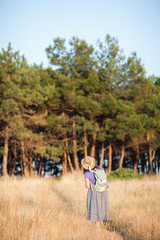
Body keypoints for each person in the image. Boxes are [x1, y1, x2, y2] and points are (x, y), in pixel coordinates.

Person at [81, 156, 109, 225]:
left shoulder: (87, 174)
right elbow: (104, 178)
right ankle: (102, 222)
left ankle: (97, 224)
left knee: (95, 206)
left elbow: (87, 186)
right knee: (102, 205)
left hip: (94, 191)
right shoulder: (100, 168)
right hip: (103, 190)